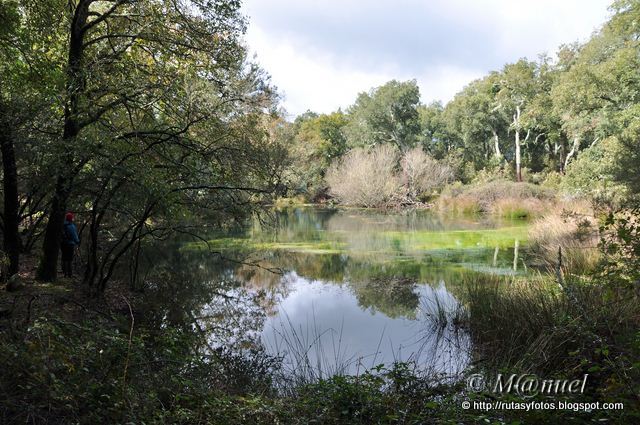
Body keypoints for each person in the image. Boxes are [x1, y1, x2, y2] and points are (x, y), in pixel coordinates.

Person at [61, 212, 80, 278]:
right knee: (69, 259)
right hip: (70, 244)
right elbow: (74, 236)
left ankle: (64, 273)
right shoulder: (71, 226)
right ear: (71, 219)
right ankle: (69, 274)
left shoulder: (62, 225)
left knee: (64, 258)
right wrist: (77, 242)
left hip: (63, 244)